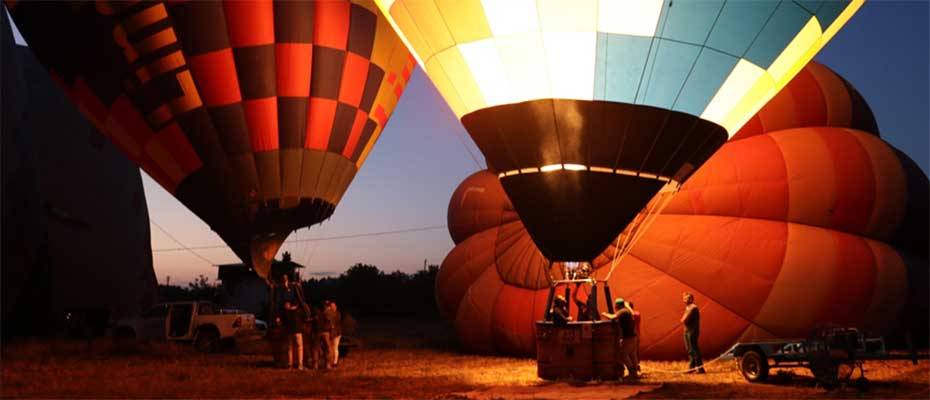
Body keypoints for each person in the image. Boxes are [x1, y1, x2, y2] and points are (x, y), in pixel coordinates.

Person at [602, 298, 637, 380]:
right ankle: (635, 373)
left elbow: (613, 317)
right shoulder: (627, 311)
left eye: (615, 305)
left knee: (623, 355)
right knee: (632, 355)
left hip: (628, 338)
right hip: (632, 337)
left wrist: (604, 314)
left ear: (618, 305)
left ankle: (632, 373)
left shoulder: (623, 311)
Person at [681, 292, 705, 374]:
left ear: (691, 299)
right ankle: (692, 367)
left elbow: (684, 319)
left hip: (692, 331)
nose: (684, 300)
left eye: (686, 298)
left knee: (694, 349)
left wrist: (683, 319)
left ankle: (700, 368)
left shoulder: (693, 308)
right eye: (684, 298)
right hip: (687, 330)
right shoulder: (688, 307)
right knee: (689, 349)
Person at [627, 301, 641, 374]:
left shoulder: (636, 313)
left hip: (636, 335)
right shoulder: (628, 314)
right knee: (632, 353)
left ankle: (636, 368)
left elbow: (634, 315)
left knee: (635, 352)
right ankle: (634, 369)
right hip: (633, 336)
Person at [327, 301, 343, 367]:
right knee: (333, 348)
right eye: (331, 306)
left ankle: (335, 362)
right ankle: (333, 361)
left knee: (335, 347)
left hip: (336, 333)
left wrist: (328, 311)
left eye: (333, 306)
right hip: (334, 333)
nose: (332, 307)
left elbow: (333, 320)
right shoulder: (334, 313)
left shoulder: (337, 314)